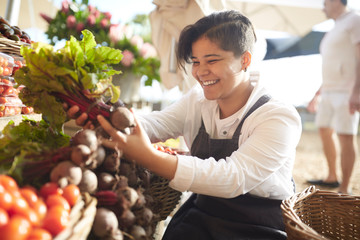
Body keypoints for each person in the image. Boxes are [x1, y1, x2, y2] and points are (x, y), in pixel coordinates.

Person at [68, 10, 302, 239]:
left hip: (259, 226)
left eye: (212, 60)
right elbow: (156, 124)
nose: (200, 72)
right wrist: (101, 118)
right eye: (196, 61)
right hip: (204, 212)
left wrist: (150, 158)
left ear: (245, 60)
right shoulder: (197, 100)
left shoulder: (278, 117)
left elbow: (233, 178)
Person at [307, 0, 360, 194]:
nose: (323, 7)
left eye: (325, 2)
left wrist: (357, 92)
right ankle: (332, 177)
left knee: (346, 136)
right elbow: (332, 63)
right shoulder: (335, 28)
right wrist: (317, 93)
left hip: (346, 92)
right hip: (328, 90)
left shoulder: (354, 20)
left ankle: (345, 187)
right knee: (324, 130)